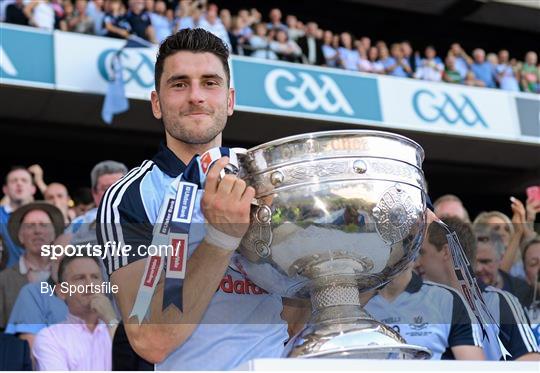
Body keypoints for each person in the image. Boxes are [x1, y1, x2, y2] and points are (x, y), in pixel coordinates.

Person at [96, 28, 288, 370]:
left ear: (229, 100)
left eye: (210, 83)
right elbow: (149, 340)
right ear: (157, 103)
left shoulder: (271, 179)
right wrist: (220, 239)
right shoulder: (128, 197)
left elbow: (299, 310)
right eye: (179, 83)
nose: (196, 96)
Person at [416, 216, 539, 360]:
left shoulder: (500, 303)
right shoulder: (413, 305)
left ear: (446, 252)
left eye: (422, 253)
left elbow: (530, 362)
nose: (416, 263)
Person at [365, 263, 485, 360]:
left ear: (413, 255)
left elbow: (473, 365)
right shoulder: (356, 302)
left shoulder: (446, 299)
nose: (391, 260)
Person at [32, 255, 117, 370]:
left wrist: (111, 320)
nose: (90, 285)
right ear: (61, 291)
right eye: (80, 278)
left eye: (95, 277)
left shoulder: (119, 330)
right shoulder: (50, 338)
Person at [0, 202, 64, 330]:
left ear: (54, 234)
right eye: (30, 226)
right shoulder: (4, 280)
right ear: (20, 236)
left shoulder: (67, 276)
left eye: (43, 225)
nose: (37, 231)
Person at [473, 226, 534, 308]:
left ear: (501, 258)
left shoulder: (521, 291)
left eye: (485, 262)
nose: (478, 268)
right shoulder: (458, 290)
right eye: (472, 261)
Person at [0, 167, 36, 267]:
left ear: (33, 189)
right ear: (5, 189)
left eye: (24, 180)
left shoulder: (44, 216)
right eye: (14, 181)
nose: (19, 183)